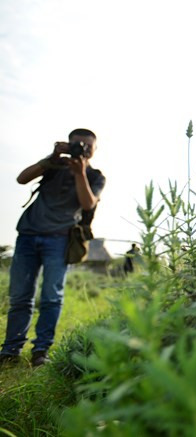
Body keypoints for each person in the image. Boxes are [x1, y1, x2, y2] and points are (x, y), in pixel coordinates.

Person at [0, 129, 105, 367]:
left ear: (95, 150)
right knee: (19, 297)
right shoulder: (53, 165)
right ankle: (10, 351)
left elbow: (88, 202)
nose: (83, 149)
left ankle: (41, 351)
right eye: (78, 144)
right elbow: (22, 178)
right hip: (28, 234)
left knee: (51, 297)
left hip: (60, 240)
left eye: (88, 146)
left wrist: (79, 173)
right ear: (67, 144)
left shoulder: (95, 176)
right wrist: (52, 157)